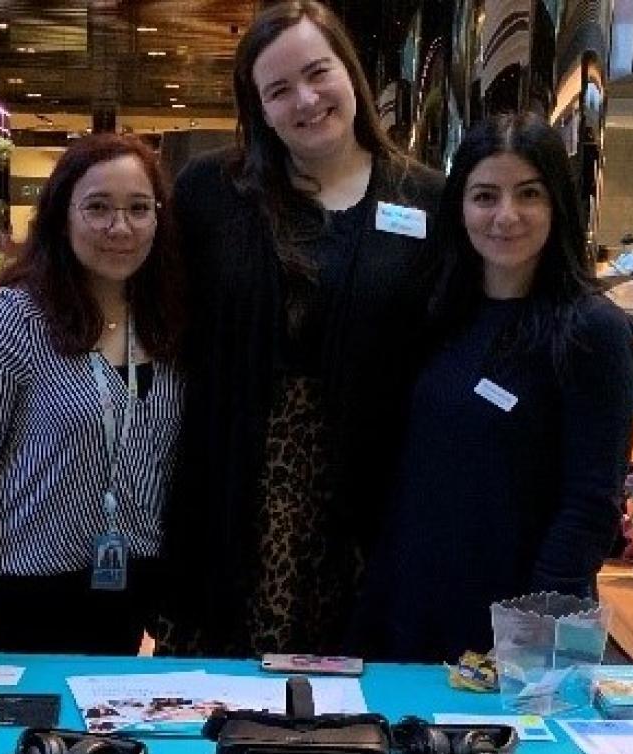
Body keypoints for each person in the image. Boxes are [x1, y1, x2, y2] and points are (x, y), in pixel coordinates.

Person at [158, 0, 444, 657]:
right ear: (256, 106)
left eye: (318, 74)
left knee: (354, 688)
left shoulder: (425, 199)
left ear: (351, 72)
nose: (305, 100)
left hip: (368, 489)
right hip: (233, 476)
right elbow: (155, 301)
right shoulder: (212, 191)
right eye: (279, 90)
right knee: (225, 690)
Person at [352, 114, 633, 662]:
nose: (506, 216)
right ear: (459, 207)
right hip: (412, 606)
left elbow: (588, 507)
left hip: (519, 628)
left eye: (528, 194)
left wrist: (530, 634)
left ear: (557, 203)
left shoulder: (591, 331)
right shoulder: (436, 315)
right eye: (485, 196)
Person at [0, 133, 186, 654]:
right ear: (61, 215)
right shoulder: (18, 318)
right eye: (98, 208)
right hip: (25, 587)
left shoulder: (168, 321)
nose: (121, 227)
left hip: (129, 582)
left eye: (139, 208)